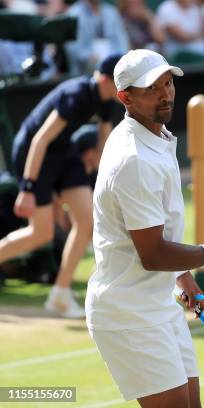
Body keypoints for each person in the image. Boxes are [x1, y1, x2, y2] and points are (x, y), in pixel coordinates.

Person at [86, 49, 204, 407]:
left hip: (158, 304)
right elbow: (152, 253)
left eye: (168, 83)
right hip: (128, 313)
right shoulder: (134, 159)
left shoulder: (156, 137)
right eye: (152, 88)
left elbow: (156, 230)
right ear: (125, 97)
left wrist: (183, 276)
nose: (165, 94)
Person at [0, 54, 121, 318]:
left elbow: (103, 149)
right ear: (103, 79)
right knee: (40, 233)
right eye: (118, 80)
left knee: (87, 220)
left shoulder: (109, 101)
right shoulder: (76, 94)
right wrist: (28, 188)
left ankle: (60, 295)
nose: (123, 86)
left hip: (64, 153)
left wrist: (110, 180)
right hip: (35, 153)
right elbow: (40, 140)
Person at [64, 0, 129, 74]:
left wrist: (117, 60)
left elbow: (122, 44)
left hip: (114, 67)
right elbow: (74, 51)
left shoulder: (111, 12)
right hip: (85, 72)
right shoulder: (74, 14)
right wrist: (91, 57)